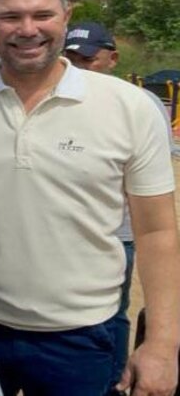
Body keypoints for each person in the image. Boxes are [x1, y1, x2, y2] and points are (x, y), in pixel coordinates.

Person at [0, 0, 180, 396]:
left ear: (66, 15)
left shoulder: (129, 107)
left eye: (42, 15)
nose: (28, 29)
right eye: (10, 16)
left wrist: (163, 344)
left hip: (81, 338)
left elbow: (156, 232)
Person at [65, 21, 178, 395]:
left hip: (119, 234)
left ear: (111, 58)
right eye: (70, 57)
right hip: (71, 230)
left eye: (87, 58)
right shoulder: (61, 96)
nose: (78, 66)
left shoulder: (139, 104)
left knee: (111, 315)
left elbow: (151, 185)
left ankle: (113, 380)